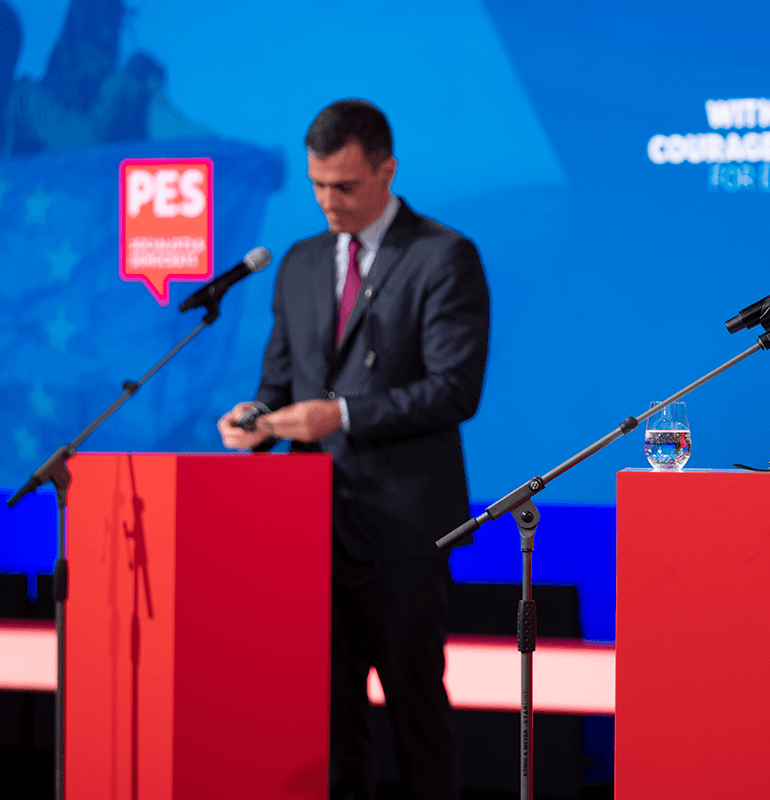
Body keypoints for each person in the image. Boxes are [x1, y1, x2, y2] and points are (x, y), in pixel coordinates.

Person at [218, 99, 489, 800]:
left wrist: (337, 414)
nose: (328, 201)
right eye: (316, 185)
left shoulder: (443, 255)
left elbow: (454, 390)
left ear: (387, 170)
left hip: (402, 532)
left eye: (345, 186)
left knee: (415, 716)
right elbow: (277, 385)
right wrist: (255, 419)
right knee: (330, 724)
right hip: (313, 530)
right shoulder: (302, 263)